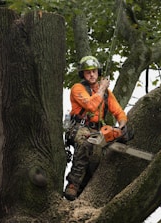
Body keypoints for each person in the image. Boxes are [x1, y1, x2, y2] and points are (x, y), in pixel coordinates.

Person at [64, 55, 127, 201]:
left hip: (98, 130)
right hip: (80, 128)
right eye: (88, 72)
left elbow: (118, 111)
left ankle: (92, 186)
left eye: (94, 71)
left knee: (114, 142)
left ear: (98, 72)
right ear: (83, 74)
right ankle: (73, 184)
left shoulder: (105, 93)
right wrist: (102, 88)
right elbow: (91, 105)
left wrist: (122, 125)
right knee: (87, 144)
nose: (92, 74)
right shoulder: (77, 89)